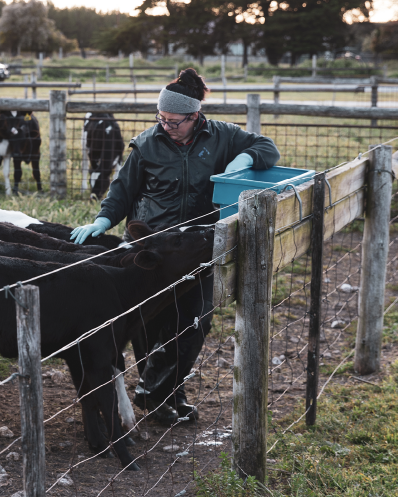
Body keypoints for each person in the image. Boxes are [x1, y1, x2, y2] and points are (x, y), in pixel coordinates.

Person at [70, 68, 280, 424]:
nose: (165, 126)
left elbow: (267, 147)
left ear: (194, 116)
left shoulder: (222, 136)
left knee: (195, 322)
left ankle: (156, 392)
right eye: (161, 119)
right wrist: (103, 220)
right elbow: (122, 189)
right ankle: (166, 396)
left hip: (195, 247)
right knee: (151, 326)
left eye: (174, 121)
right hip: (151, 246)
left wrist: (244, 159)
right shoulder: (146, 144)